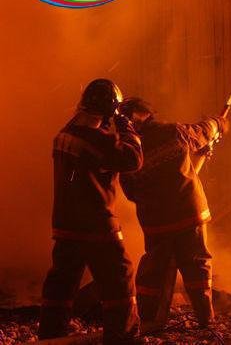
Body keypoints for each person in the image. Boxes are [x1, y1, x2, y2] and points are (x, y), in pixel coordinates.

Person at [39, 79, 143, 344]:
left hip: (66, 224)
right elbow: (133, 159)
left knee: (62, 283)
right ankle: (123, 337)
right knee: (120, 278)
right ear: (109, 111)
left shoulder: (65, 134)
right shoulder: (96, 141)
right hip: (96, 225)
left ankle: (50, 336)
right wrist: (125, 125)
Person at [118, 97, 228, 332]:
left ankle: (148, 319)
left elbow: (131, 192)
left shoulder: (128, 151)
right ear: (147, 114)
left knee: (153, 270)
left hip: (156, 222)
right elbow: (202, 131)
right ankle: (205, 318)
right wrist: (218, 123)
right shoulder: (173, 132)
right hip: (189, 214)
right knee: (197, 265)